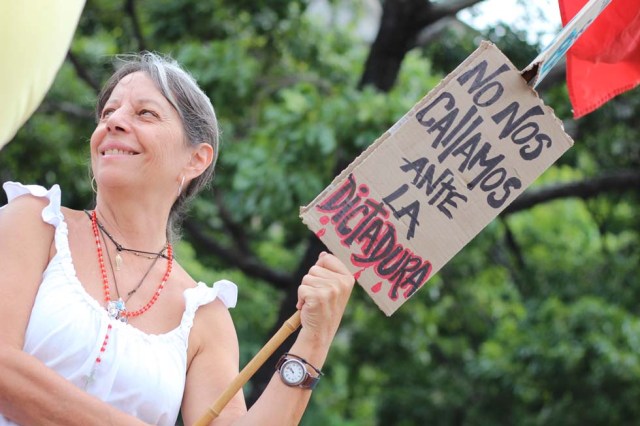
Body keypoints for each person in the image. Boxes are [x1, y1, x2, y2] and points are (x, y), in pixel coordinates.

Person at [0, 52, 355, 425]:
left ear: (196, 159)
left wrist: (315, 340)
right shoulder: (34, 222)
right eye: (108, 113)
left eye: (145, 114)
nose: (114, 122)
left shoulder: (204, 316)